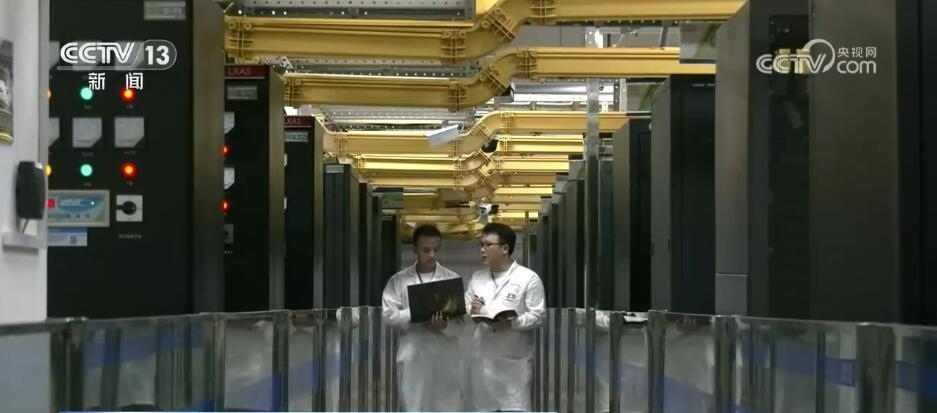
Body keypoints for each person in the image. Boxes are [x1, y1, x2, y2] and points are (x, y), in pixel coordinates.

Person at [381, 224, 464, 411]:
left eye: (436, 249)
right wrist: (416, 311)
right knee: (414, 405)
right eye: (426, 250)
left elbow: (460, 324)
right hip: (414, 354)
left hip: (445, 355)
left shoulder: (451, 279)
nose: (432, 255)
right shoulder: (398, 281)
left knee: (447, 405)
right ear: (414, 249)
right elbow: (388, 315)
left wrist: (444, 326)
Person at [465, 223, 546, 412]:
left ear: (505, 248)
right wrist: (473, 312)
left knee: (513, 408)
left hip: (513, 365)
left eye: (488, 244)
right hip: (483, 362)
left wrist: (511, 324)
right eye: (481, 245)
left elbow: (539, 316)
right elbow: (466, 308)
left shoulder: (528, 278)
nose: (482, 250)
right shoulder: (477, 278)